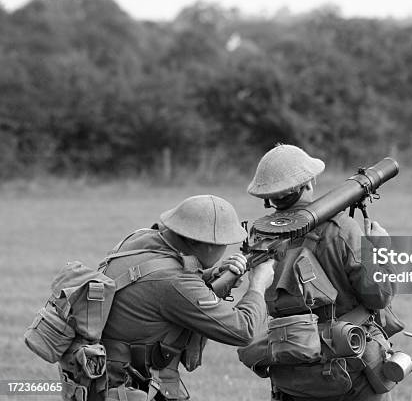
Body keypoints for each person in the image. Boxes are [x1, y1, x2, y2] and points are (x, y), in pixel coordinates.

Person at [246, 144, 395, 401]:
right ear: (309, 182)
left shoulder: (260, 236)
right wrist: (379, 249)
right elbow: (380, 296)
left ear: (268, 196)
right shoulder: (342, 228)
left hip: (291, 367)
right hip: (351, 367)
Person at [99, 195, 274, 401]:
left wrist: (213, 275)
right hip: (130, 387)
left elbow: (160, 284)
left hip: (104, 377)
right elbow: (242, 331)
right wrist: (258, 284)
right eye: (223, 243)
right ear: (201, 242)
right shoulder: (175, 281)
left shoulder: (140, 239)